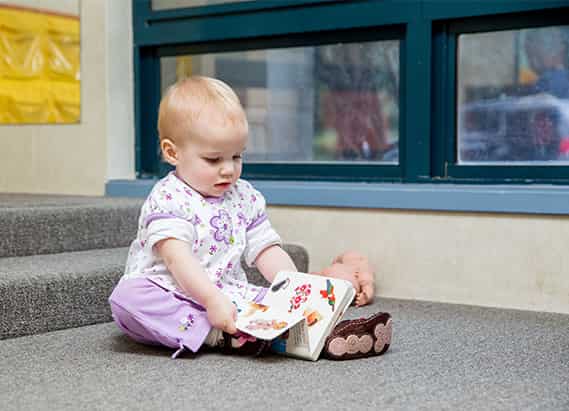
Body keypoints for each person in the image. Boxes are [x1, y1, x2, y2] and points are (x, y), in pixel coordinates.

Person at [108, 76, 392, 360]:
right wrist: (210, 300)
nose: (229, 170)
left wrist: (298, 289)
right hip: (170, 291)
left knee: (270, 301)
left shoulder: (243, 195)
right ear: (172, 152)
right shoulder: (169, 197)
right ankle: (219, 336)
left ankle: (325, 335)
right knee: (127, 300)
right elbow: (177, 259)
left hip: (228, 293)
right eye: (213, 159)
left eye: (237, 156)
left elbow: (266, 250)